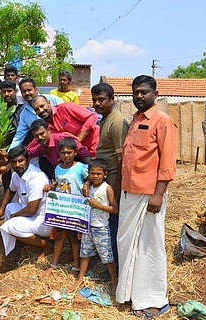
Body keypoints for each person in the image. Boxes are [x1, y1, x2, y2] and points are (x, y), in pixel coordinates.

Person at [116, 75, 177, 318]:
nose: (139, 96)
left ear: (155, 93)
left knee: (149, 247)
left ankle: (154, 300)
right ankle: (130, 293)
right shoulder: (135, 120)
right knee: (127, 245)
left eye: (144, 92)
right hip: (129, 192)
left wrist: (158, 194)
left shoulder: (163, 121)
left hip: (149, 195)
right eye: (136, 92)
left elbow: (168, 161)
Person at [90, 82, 129, 273]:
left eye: (101, 99)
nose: (97, 103)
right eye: (94, 100)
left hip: (114, 181)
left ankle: (117, 270)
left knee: (113, 226)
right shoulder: (105, 118)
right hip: (106, 179)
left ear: (112, 100)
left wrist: (118, 188)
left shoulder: (116, 122)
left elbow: (122, 159)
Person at [0, 146, 53, 257]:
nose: (17, 165)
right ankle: (15, 245)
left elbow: (31, 209)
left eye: (21, 161)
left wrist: (15, 215)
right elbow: (10, 191)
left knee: (12, 225)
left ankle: (47, 246)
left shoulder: (36, 178)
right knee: (9, 208)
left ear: (27, 159)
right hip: (33, 213)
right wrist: (0, 210)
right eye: (14, 162)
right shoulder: (16, 174)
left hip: (45, 221)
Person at [42, 137, 88, 278]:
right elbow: (58, 182)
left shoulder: (80, 167)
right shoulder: (58, 168)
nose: (66, 155)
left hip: (76, 209)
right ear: (59, 154)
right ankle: (53, 265)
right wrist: (51, 186)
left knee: (74, 238)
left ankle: (75, 266)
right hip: (62, 209)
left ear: (75, 152)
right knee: (60, 236)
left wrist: (87, 184)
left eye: (69, 152)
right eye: (63, 153)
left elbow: (89, 178)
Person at [71, 159, 118, 294]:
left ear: (105, 174)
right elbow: (83, 207)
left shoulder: (107, 188)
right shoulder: (88, 188)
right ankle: (80, 278)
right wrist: (81, 227)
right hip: (87, 227)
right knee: (84, 254)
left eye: (99, 173)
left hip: (101, 228)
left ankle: (114, 281)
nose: (96, 176)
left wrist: (98, 206)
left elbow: (115, 209)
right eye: (93, 173)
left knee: (107, 257)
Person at [31, 95, 99, 156]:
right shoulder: (45, 128)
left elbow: (92, 117)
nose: (41, 110)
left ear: (49, 102)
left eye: (42, 106)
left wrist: (79, 138)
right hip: (79, 154)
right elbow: (33, 144)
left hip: (96, 145)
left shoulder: (66, 108)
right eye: (37, 109)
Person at [9, 78, 63, 149]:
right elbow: (19, 136)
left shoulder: (53, 100)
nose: (27, 93)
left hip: (64, 145)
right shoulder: (25, 114)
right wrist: (10, 152)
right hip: (46, 150)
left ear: (36, 89)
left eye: (29, 90)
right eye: (24, 91)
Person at [27, 119, 91, 179]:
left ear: (49, 130)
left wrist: (91, 169)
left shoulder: (61, 139)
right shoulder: (42, 147)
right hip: (62, 177)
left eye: (42, 133)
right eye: (36, 136)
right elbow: (29, 152)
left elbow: (82, 152)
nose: (40, 137)